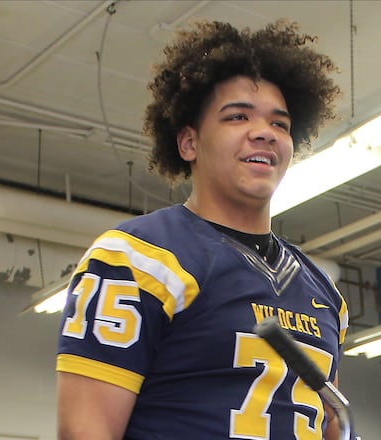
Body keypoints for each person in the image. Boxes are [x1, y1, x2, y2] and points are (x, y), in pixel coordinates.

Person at [57, 19, 346, 440]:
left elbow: (331, 421)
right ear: (189, 143)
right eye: (237, 117)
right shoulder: (136, 259)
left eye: (280, 124)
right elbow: (86, 431)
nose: (264, 133)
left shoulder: (325, 294)